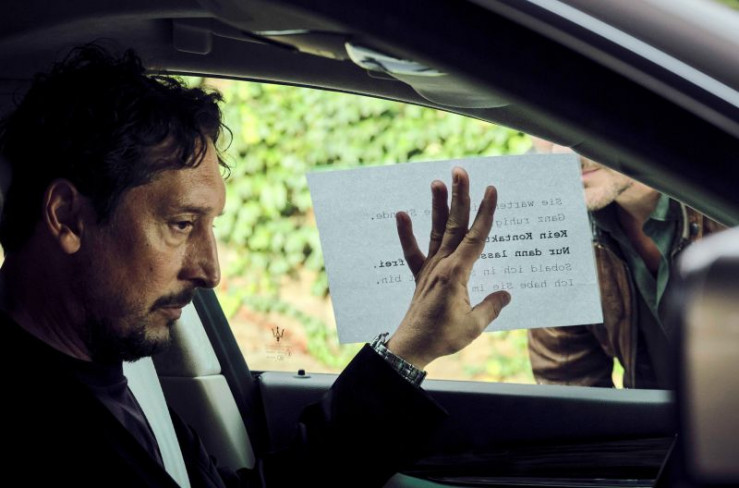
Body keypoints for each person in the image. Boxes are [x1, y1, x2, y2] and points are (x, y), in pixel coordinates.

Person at [0, 45, 511, 487]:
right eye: (182, 224)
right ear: (67, 217)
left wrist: (411, 348)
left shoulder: (109, 372)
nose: (210, 271)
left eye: (209, 226)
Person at [527, 140, 722, 389]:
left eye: (580, 127)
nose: (561, 152)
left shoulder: (723, 197)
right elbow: (570, 383)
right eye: (547, 133)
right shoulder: (550, 227)